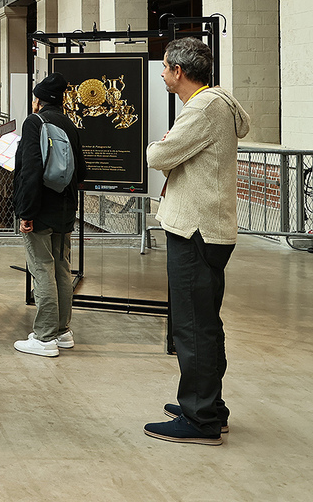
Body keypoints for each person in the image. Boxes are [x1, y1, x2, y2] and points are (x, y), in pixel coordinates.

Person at [143, 38, 250, 446]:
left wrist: (161, 143)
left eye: (165, 67)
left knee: (191, 326)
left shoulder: (203, 108)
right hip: (208, 228)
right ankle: (210, 407)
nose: (162, 74)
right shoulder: (217, 102)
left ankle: (200, 417)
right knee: (204, 322)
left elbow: (158, 156)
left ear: (179, 71)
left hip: (195, 230)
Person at [12, 72, 86, 358]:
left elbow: (30, 171)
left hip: (40, 209)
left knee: (41, 268)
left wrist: (26, 212)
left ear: (38, 100)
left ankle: (44, 337)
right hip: (65, 209)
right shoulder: (69, 123)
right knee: (62, 267)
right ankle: (62, 331)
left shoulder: (35, 122)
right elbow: (82, 172)